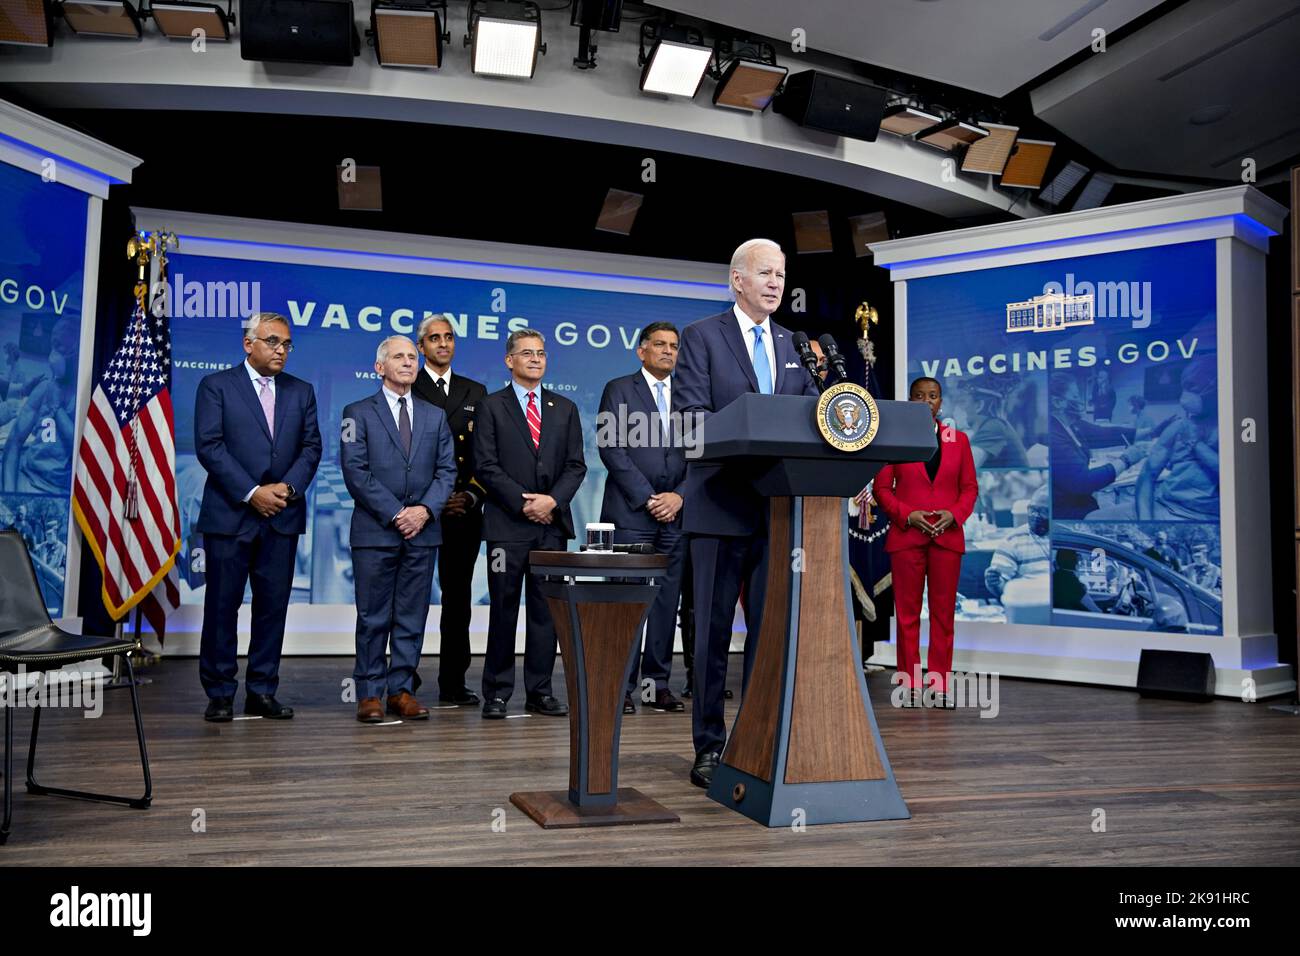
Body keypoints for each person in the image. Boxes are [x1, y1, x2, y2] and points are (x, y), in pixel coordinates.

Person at [674, 238, 819, 788]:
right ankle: (709, 746)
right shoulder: (702, 337)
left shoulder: (793, 344)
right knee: (711, 637)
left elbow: (809, 415)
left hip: (779, 512)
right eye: (766, 273)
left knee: (768, 634)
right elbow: (691, 416)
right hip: (717, 508)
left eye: (782, 274)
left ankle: (759, 739)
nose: (777, 283)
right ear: (737, 280)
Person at [194, 312, 322, 722]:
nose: (280, 350)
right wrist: (253, 493)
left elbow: (311, 447)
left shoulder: (301, 391)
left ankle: (262, 690)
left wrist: (285, 490)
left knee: (272, 608)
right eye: (272, 342)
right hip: (231, 515)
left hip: (281, 515)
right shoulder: (216, 386)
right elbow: (210, 447)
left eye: (286, 344)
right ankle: (219, 693)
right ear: (249, 344)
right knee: (221, 607)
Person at [473, 329, 587, 719]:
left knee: (546, 613)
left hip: (551, 526)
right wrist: (525, 504)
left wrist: (552, 502)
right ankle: (497, 693)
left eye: (541, 353)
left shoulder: (565, 407)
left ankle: (540, 691)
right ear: (510, 360)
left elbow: (576, 466)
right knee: (503, 611)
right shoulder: (490, 406)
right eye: (527, 353)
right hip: (508, 526)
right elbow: (485, 466)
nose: (536, 359)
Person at [342, 336, 456, 722]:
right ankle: (370, 693)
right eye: (398, 357)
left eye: (412, 356)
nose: (408, 362)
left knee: (412, 615)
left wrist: (423, 511)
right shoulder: (355, 413)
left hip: (422, 532)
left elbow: (447, 472)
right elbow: (355, 472)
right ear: (379, 368)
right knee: (373, 616)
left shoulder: (435, 415)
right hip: (376, 532)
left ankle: (400, 690)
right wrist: (397, 513)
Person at [597, 321, 688, 715]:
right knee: (627, 602)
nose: (667, 351)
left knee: (666, 603)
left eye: (673, 346)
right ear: (641, 350)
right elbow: (611, 448)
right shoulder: (619, 389)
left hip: (676, 516)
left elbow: (701, 454)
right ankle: (621, 686)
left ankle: (656, 686)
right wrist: (650, 498)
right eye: (659, 345)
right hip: (632, 513)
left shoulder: (690, 395)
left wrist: (679, 497)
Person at [871, 377, 977, 707]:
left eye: (932, 396)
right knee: (907, 614)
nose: (926, 401)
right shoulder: (895, 440)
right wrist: (908, 515)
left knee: (944, 616)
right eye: (919, 396)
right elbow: (882, 490)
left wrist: (953, 514)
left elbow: (969, 489)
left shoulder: (958, 440)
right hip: (907, 537)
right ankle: (909, 683)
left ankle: (940, 685)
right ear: (911, 400)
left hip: (947, 538)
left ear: (940, 403)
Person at [410, 315, 487, 706]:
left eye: (449, 337)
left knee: (458, 601)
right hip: (418, 512)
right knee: (411, 600)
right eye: (434, 338)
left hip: (462, 511)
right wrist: (430, 501)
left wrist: (471, 496)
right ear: (420, 346)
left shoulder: (476, 390)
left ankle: (454, 682)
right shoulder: (407, 383)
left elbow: (485, 455)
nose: (443, 344)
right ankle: (404, 680)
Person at [1049, 376, 1142, 519]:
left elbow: (1105, 434)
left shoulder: (1073, 426)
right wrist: (1126, 460)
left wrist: (1148, 433)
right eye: (1075, 396)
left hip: (1082, 502)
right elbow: (1083, 481)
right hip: (1068, 513)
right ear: (1057, 402)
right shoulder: (1054, 435)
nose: (1080, 400)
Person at [984, 485, 1051, 599]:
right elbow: (1001, 587)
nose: (1034, 515)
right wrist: (995, 582)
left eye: (1043, 511)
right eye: (1032, 509)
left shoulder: (1066, 537)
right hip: (1028, 602)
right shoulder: (1013, 540)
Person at [1052, 549, 1101, 613]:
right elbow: (1096, 611)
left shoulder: (1056, 576)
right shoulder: (1072, 583)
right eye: (1077, 557)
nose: (1079, 561)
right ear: (1074, 561)